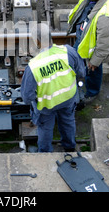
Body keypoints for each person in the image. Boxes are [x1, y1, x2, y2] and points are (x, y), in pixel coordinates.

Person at [21, 23, 86, 152]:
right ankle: (70, 147)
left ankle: (45, 153)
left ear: (37, 42)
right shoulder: (68, 51)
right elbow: (82, 73)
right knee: (68, 123)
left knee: (45, 129)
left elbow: (27, 97)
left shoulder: (33, 66)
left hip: (46, 105)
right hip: (68, 99)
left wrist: (37, 99)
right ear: (51, 37)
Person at [67, 0, 109, 102]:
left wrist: (95, 61)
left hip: (91, 49)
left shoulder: (105, 18)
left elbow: (104, 45)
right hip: (84, 40)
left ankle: (92, 93)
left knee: (93, 70)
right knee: (78, 60)